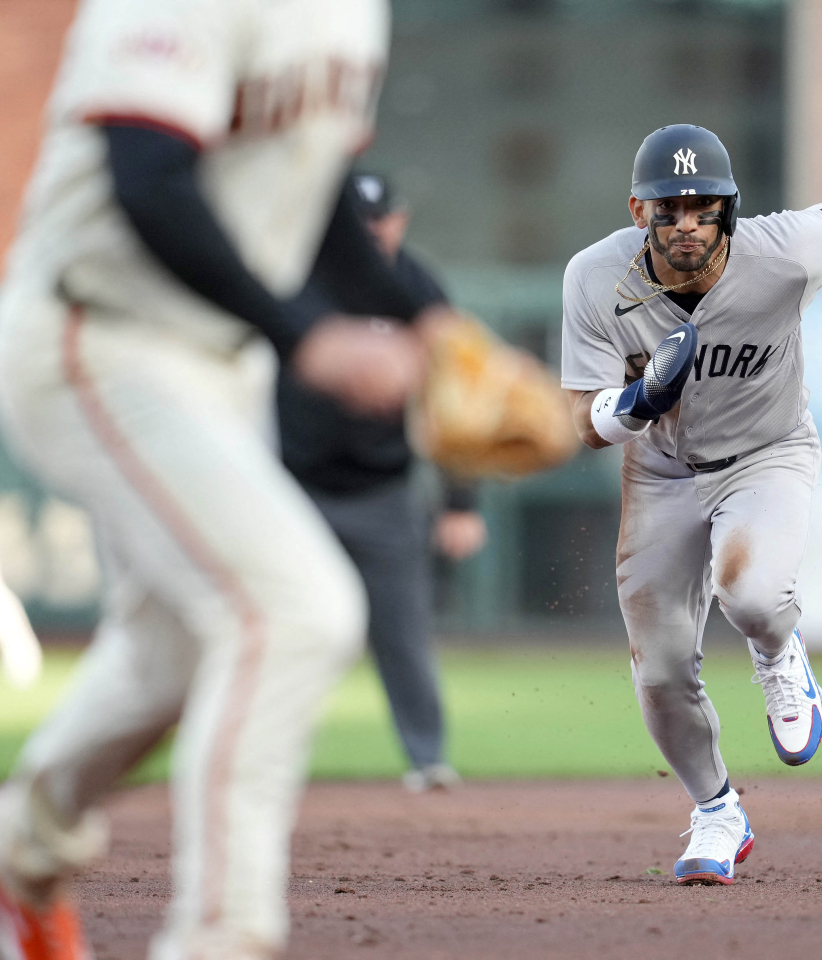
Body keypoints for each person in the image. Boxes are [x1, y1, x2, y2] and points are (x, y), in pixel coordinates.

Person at [0, 1, 437, 957]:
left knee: (167, 657)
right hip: (99, 335)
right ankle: (221, 936)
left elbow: (307, 198)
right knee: (294, 609)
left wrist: (437, 328)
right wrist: (304, 335)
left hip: (216, 364)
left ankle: (19, 850)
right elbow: (148, 181)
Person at [560, 125, 822, 885]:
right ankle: (717, 810)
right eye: (669, 208)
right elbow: (579, 422)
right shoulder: (596, 278)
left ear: (730, 208)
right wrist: (637, 401)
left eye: (703, 206)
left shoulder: (783, 248)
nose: (687, 223)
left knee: (751, 593)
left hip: (768, 451)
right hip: (660, 469)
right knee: (658, 669)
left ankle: (779, 654)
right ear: (638, 211)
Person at [276, 173, 486, 793]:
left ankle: (428, 759)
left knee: (403, 635)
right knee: (284, 631)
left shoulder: (417, 291)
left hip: (382, 492)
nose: (368, 234)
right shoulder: (300, 277)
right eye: (357, 223)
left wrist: (460, 503)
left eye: (379, 222)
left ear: (400, 221)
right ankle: (267, 762)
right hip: (296, 489)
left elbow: (454, 408)